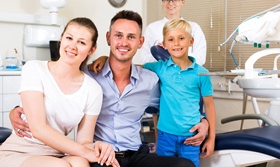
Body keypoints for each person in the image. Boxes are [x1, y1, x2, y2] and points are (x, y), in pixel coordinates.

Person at [10, 10, 208, 167]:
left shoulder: (150, 80)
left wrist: (204, 120)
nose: (123, 42)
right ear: (108, 38)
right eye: (118, 35)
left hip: (135, 155)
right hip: (100, 156)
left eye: (131, 37)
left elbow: (178, 100)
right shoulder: (89, 76)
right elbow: (52, 96)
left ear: (140, 42)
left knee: (184, 164)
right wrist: (16, 110)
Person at [0, 17, 119, 167]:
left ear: (91, 49)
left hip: (56, 153)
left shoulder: (93, 90)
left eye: (81, 42)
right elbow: (38, 129)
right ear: (61, 39)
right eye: (69, 38)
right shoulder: (34, 69)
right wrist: (87, 153)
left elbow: (84, 142)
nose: (72, 46)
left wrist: (98, 147)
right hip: (19, 152)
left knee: (80, 162)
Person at [143, 19, 216, 167]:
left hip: (191, 137)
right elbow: (131, 68)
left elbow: (209, 106)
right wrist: (105, 59)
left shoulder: (202, 74)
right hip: (165, 137)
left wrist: (211, 138)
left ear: (191, 41)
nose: (176, 43)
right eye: (171, 39)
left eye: (181, 38)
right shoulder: (160, 68)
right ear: (164, 44)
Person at [140, 0, 206, 66]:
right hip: (159, 77)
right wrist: (161, 53)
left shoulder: (194, 28)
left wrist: (174, 52)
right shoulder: (152, 28)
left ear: (182, 2)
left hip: (186, 76)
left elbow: (200, 59)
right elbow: (144, 59)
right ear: (163, 2)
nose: (170, 3)